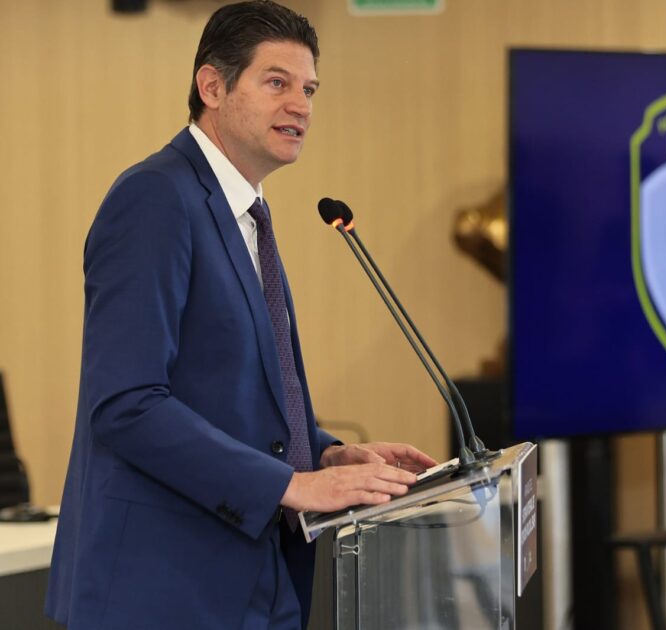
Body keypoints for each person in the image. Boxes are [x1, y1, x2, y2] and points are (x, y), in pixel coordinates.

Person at [45, 2, 436, 628]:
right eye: (277, 82)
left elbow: (230, 394)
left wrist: (323, 456)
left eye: (309, 89)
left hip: (252, 579)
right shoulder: (156, 196)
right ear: (212, 87)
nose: (301, 106)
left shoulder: (246, 213)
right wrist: (290, 486)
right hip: (163, 591)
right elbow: (126, 403)